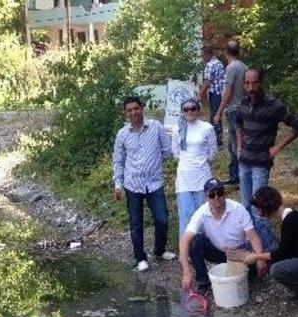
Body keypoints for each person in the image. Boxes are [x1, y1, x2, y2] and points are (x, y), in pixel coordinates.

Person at [241, 186, 298, 308]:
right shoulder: (292, 216)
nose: (259, 213)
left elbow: (282, 253)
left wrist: (257, 256)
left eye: (260, 209)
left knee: (277, 270)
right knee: (276, 260)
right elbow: (287, 250)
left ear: (267, 207)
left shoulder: (289, 221)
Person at [112, 96, 175, 272]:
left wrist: (155, 164)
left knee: (162, 219)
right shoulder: (122, 134)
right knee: (136, 222)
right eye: (129, 110)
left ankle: (159, 250)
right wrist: (118, 184)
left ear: (142, 109)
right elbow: (118, 161)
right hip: (132, 184)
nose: (134, 112)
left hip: (154, 182)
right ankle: (140, 258)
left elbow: (167, 150)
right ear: (126, 113)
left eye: (136, 108)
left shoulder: (156, 127)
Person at [179, 178, 268, 294]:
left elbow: (253, 237)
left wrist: (260, 259)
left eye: (219, 193)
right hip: (217, 251)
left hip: (240, 251)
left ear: (224, 194)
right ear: (206, 197)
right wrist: (186, 272)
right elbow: (184, 241)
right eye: (212, 195)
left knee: (254, 273)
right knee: (195, 241)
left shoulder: (238, 209)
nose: (216, 197)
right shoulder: (201, 212)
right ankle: (203, 282)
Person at [235, 68, 298, 208]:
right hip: (244, 160)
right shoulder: (243, 103)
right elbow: (238, 123)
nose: (251, 88)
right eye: (247, 83)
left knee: (258, 206)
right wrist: (238, 145)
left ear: (261, 83)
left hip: (261, 162)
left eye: (254, 83)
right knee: (244, 205)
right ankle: (249, 230)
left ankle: (261, 230)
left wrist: (278, 147)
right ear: (243, 84)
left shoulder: (274, 105)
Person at [172, 98, 218, 236]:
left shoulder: (207, 128)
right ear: (182, 112)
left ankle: (204, 248)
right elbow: (175, 153)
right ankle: (186, 250)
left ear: (198, 110)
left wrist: (201, 162)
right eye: (186, 109)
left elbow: (213, 151)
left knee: (203, 212)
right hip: (184, 176)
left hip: (202, 175)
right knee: (186, 213)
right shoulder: (177, 129)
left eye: (193, 108)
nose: (190, 111)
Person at [212, 40, 247, 185]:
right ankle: (236, 176)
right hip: (244, 109)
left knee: (235, 145)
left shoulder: (231, 68)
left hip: (234, 110)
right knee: (237, 144)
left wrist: (219, 112)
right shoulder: (244, 67)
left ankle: (238, 177)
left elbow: (228, 91)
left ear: (226, 52)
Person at [199, 45, 225, 147]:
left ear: (207, 54)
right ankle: (218, 138)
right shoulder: (219, 63)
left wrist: (200, 95)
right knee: (218, 116)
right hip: (221, 93)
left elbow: (207, 82)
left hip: (215, 94)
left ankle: (216, 140)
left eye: (203, 55)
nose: (202, 58)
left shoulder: (210, 65)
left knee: (214, 116)